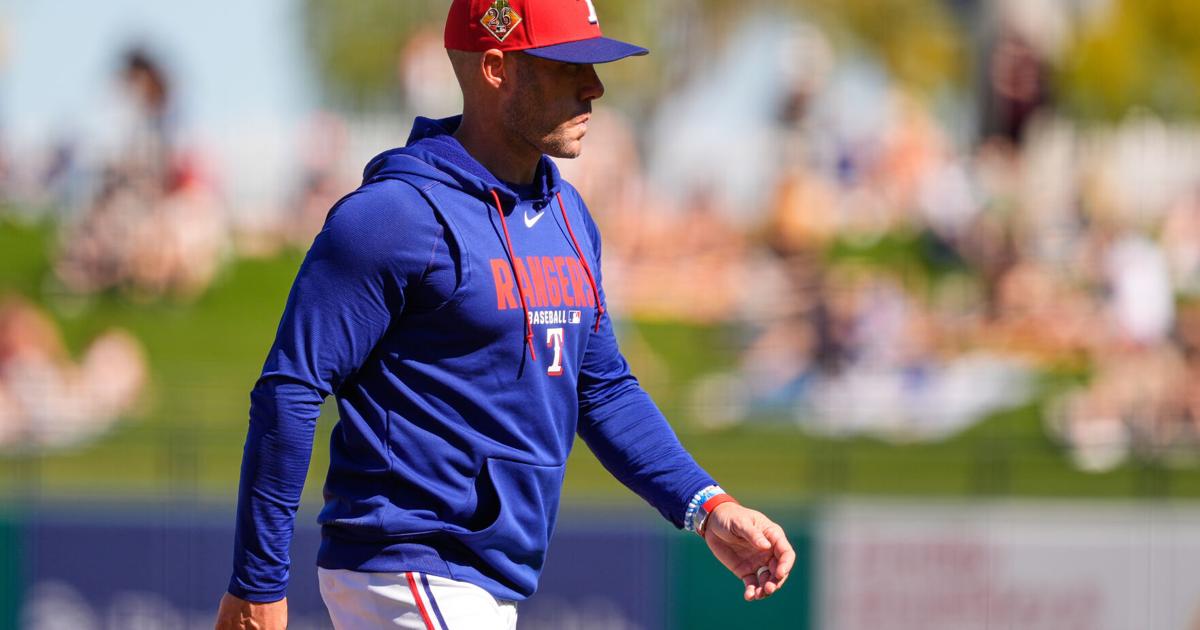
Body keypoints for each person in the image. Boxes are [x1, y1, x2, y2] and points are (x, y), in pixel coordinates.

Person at [215, 1, 794, 628]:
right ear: (496, 68)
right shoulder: (394, 216)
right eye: (569, 63)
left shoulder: (569, 217)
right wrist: (258, 584)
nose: (595, 86)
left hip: (483, 581)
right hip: (405, 565)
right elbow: (290, 390)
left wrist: (705, 505)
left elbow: (601, 389)